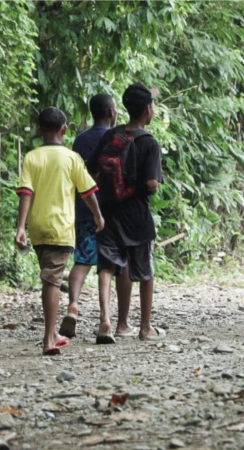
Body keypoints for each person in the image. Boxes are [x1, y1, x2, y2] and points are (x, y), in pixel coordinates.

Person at [15, 107, 105, 356]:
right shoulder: (71, 158)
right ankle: (48, 339)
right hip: (61, 228)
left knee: (49, 278)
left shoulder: (32, 157)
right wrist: (98, 216)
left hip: (38, 227)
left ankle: (53, 334)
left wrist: (21, 227)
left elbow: (26, 193)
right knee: (52, 281)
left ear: (39, 130)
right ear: (64, 130)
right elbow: (87, 192)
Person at [87, 83, 165, 343]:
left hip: (108, 211)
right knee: (145, 270)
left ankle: (111, 322)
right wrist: (142, 187)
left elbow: (91, 170)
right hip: (137, 216)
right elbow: (152, 184)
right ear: (147, 110)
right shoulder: (149, 142)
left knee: (110, 266)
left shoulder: (111, 136)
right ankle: (145, 327)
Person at [59, 93, 135, 339]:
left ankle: (73, 306)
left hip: (84, 209)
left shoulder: (80, 140)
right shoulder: (118, 138)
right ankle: (106, 319)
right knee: (109, 266)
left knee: (82, 261)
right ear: (112, 112)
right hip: (112, 212)